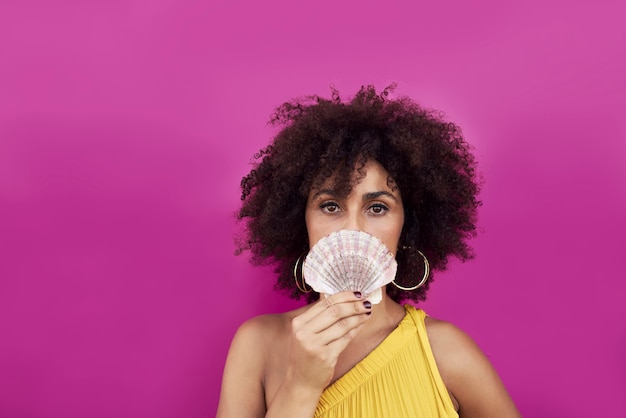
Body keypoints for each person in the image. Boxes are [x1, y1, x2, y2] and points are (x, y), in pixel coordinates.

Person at [216, 85, 521, 417]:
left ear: (409, 223)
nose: (353, 228)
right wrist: (301, 384)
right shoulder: (258, 345)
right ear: (299, 220)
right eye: (330, 206)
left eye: (377, 208)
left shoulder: (447, 352)